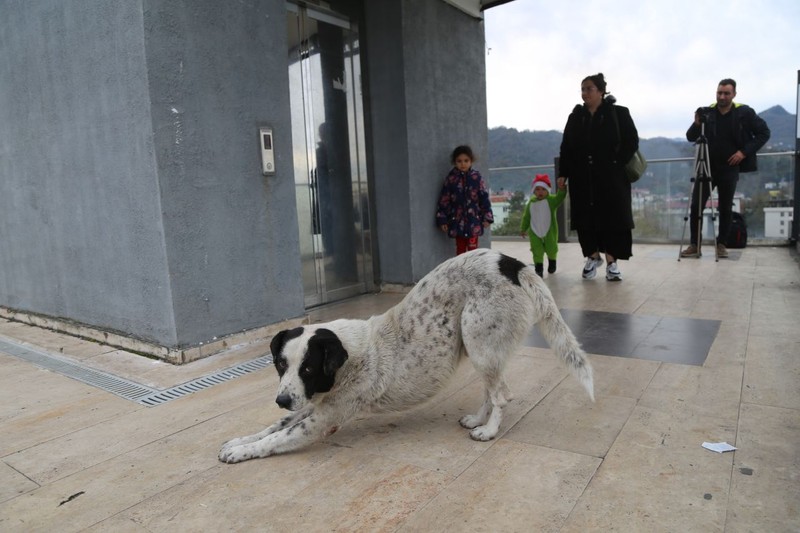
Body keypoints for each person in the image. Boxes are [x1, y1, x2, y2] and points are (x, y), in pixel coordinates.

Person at [558, 73, 639, 281]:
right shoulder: (576, 116)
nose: (585, 93)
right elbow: (566, 146)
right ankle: (592, 256)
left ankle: (612, 262)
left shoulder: (618, 113)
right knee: (585, 218)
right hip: (582, 177)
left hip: (612, 178)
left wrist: (616, 163)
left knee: (613, 218)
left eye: (589, 89)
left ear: (601, 91)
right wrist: (563, 173)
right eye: (583, 89)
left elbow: (631, 141)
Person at [680, 79, 770, 258]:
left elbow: (764, 133)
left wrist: (743, 152)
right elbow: (690, 136)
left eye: (726, 93)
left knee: (725, 207)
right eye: (719, 93)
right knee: (696, 205)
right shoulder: (708, 113)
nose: (722, 96)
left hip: (730, 167)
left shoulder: (744, 113)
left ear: (734, 94)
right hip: (706, 167)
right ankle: (694, 245)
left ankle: (721, 244)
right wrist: (697, 124)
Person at [436, 145, 494, 255]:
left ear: (471, 161)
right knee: (460, 251)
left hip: (474, 221)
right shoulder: (451, 179)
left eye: (466, 161)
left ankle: (474, 271)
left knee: (474, 252)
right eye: (459, 161)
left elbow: (483, 197)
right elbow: (444, 199)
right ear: (454, 162)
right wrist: (442, 219)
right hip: (458, 222)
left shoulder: (476, 177)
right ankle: (461, 272)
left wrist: (487, 216)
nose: (463, 164)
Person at [519, 174, 566, 277]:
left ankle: (552, 262)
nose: (540, 192)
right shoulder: (531, 202)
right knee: (536, 250)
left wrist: (562, 190)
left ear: (548, 190)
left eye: (543, 189)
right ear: (534, 191)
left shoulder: (551, 201)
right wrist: (523, 228)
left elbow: (559, 198)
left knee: (551, 248)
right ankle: (539, 268)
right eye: (538, 189)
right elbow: (526, 217)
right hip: (534, 231)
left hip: (550, 231)